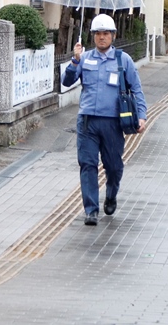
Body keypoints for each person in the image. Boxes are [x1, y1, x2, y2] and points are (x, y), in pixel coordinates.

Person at [62, 14, 148, 226]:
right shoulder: (85, 58)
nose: (102, 37)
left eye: (106, 34)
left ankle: (111, 194)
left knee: (113, 166)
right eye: (98, 34)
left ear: (113, 36)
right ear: (93, 36)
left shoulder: (123, 60)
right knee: (88, 164)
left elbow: (136, 89)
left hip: (113, 123)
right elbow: (66, 81)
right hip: (87, 121)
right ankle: (91, 210)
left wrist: (142, 116)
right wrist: (74, 60)